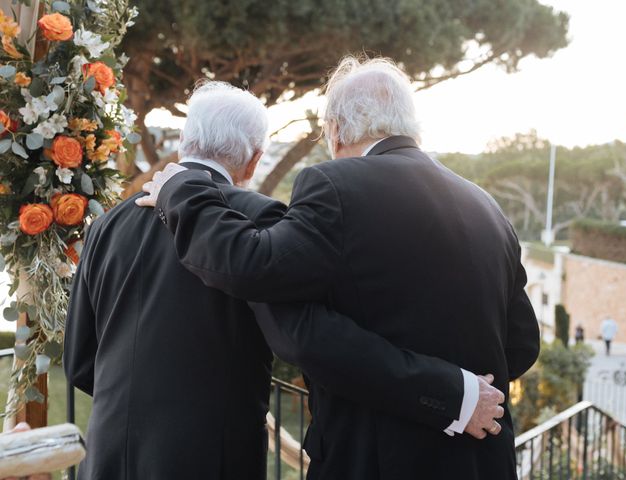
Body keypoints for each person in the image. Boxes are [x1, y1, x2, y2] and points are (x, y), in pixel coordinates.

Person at [65, 81, 505, 480]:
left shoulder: (107, 225)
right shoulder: (261, 221)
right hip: (212, 457)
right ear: (255, 159)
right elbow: (303, 336)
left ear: (183, 141)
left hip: (106, 455)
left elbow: (80, 360)